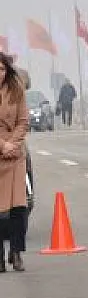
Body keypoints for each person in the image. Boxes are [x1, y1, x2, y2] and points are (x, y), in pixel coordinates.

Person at [0, 52, 31, 272]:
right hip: (3, 149)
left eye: (2, 69)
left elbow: (23, 121)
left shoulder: (16, 90)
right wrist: (2, 146)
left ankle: (17, 252)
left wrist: (12, 143)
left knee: (19, 208)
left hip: (16, 154)